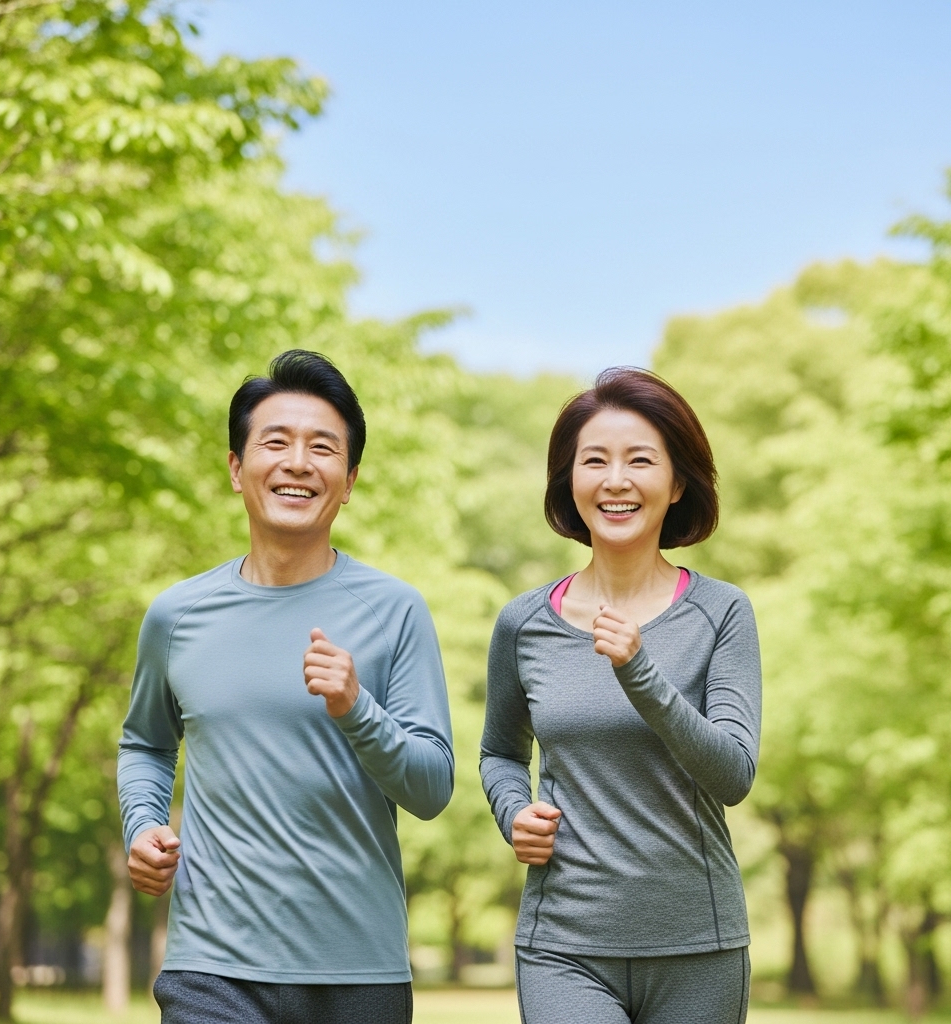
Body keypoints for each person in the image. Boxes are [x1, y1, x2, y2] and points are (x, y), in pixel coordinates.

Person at [118, 350, 453, 1024]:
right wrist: (144, 823)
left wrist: (357, 709)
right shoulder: (176, 616)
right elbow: (146, 744)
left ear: (349, 481)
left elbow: (431, 789)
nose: (298, 463)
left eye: (322, 448)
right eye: (276, 443)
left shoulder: (396, 611)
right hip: (211, 969)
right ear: (236, 468)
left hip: (358, 972)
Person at [480, 367, 761, 1024]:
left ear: (678, 483)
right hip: (563, 945)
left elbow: (734, 774)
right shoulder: (523, 623)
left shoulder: (722, 612)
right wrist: (513, 813)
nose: (615, 480)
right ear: (568, 481)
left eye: (640, 460)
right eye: (594, 461)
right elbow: (500, 752)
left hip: (698, 945)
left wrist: (640, 671)